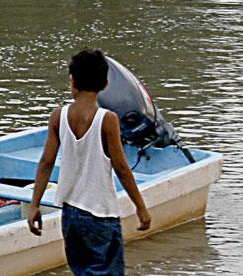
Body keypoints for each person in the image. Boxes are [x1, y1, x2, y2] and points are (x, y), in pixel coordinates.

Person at [26, 48, 153, 276]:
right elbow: (122, 167)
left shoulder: (58, 115)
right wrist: (141, 207)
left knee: (81, 270)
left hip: (71, 214)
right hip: (100, 214)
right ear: (105, 84)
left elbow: (46, 162)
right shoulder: (107, 119)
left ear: (72, 81)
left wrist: (35, 204)